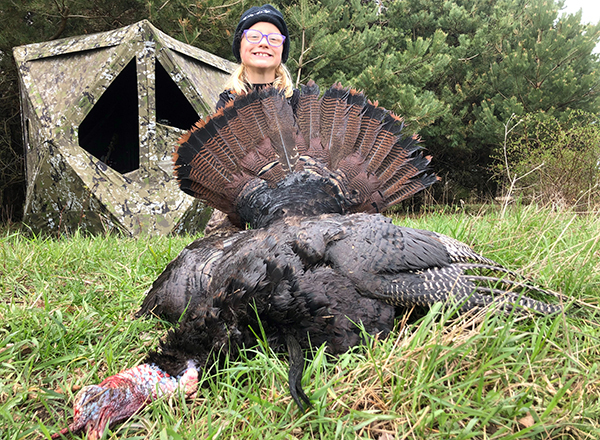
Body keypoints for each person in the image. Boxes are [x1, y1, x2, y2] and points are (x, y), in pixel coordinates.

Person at [205, 4, 299, 236]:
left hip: (294, 195)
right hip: (242, 197)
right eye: (254, 36)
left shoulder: (298, 100)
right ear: (241, 45)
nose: (264, 43)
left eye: (274, 38)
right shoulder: (227, 102)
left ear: (282, 49)